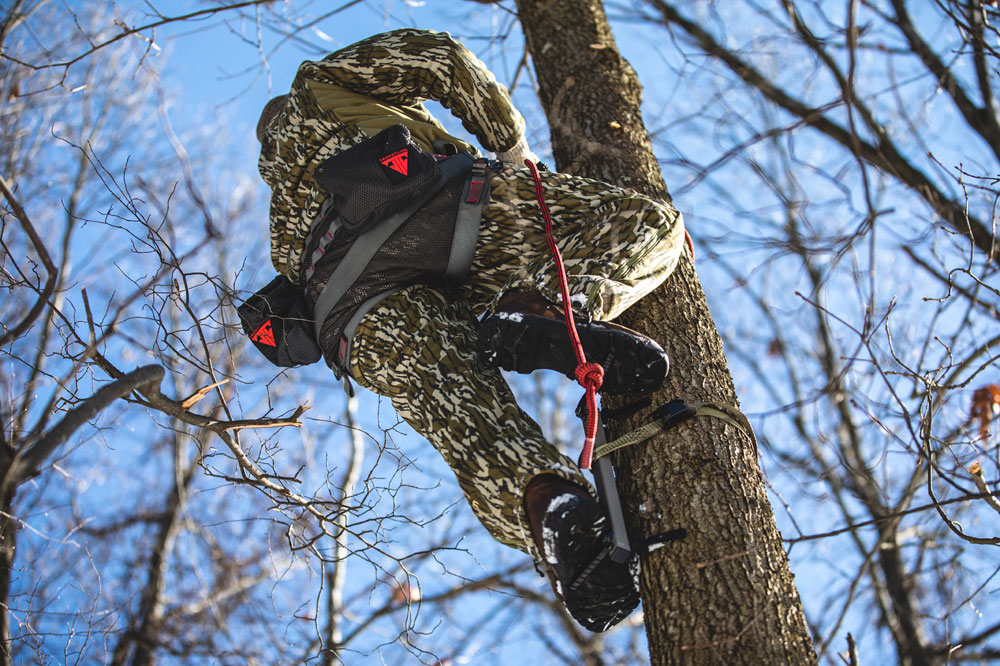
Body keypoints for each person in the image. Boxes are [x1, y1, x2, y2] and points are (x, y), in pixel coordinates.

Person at [255, 28, 685, 632]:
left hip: (354, 316)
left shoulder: (280, 228)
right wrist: (510, 149)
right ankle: (546, 311)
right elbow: (439, 56)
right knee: (647, 223)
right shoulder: (318, 84)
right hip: (440, 216)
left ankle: (552, 508)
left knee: (468, 418)